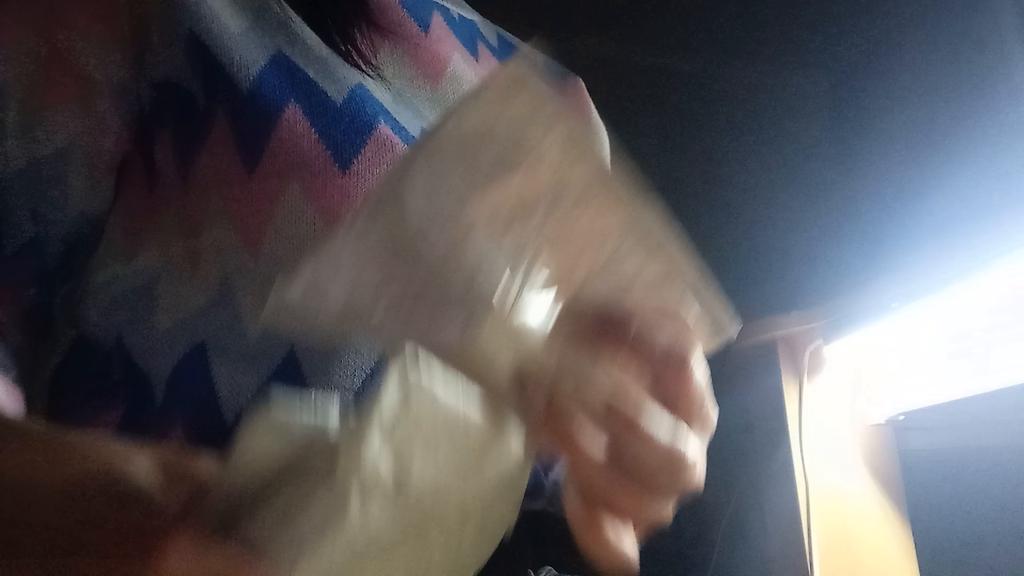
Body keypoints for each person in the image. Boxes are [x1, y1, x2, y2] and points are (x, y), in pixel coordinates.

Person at [0, 0, 718, 574]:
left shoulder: (549, 100)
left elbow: (526, 464)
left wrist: (624, 434)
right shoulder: (124, 17)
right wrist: (113, 512)